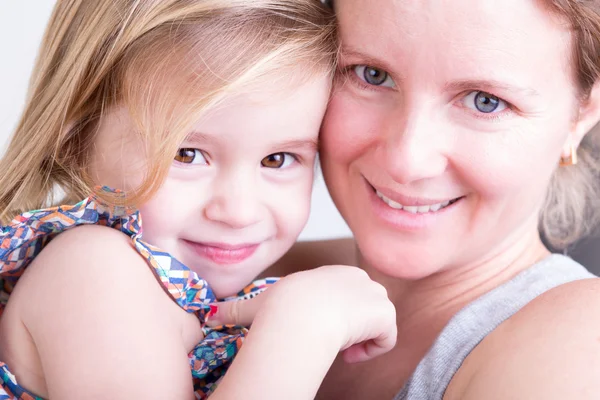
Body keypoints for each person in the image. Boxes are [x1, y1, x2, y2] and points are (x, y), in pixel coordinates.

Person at [0, 1, 398, 399]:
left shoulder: (186, 282)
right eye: (186, 155)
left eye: (277, 160)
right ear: (77, 140)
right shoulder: (93, 270)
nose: (238, 212)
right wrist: (303, 326)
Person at [213, 0, 600, 398]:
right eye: (372, 75)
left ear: (582, 115)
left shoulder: (583, 345)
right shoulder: (230, 272)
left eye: (485, 100)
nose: (406, 161)